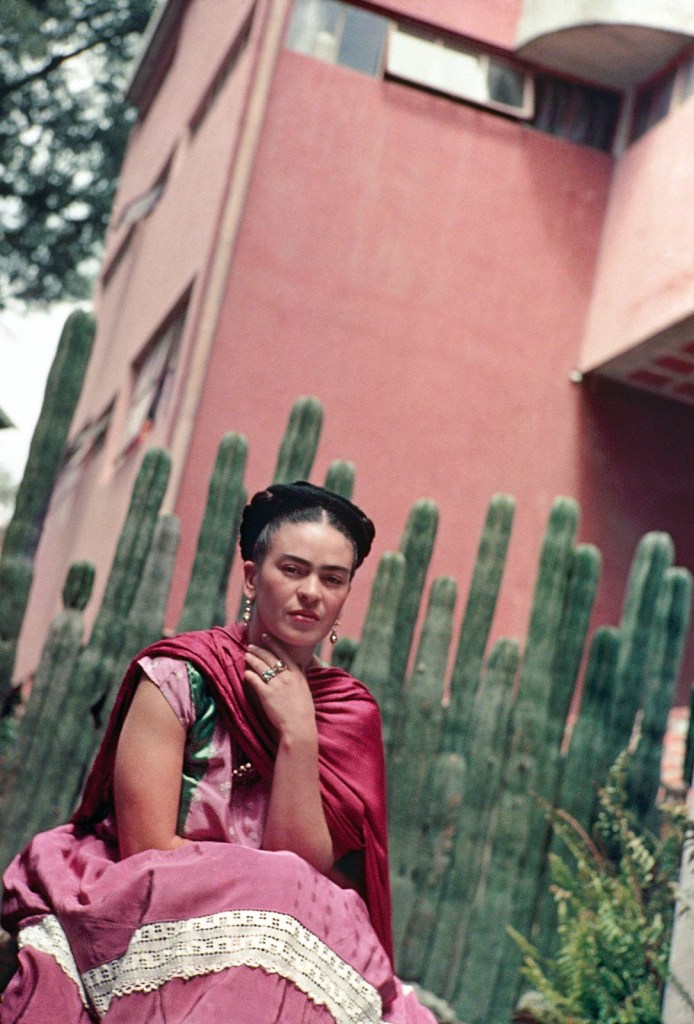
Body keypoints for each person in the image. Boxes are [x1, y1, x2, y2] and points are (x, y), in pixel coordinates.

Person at [1, 482, 437, 1023]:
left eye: (332, 578)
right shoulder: (179, 676)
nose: (311, 593)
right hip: (153, 905)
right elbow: (146, 847)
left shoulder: (347, 713)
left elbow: (299, 866)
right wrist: (258, 892)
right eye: (293, 570)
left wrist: (299, 733)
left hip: (282, 934)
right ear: (252, 577)